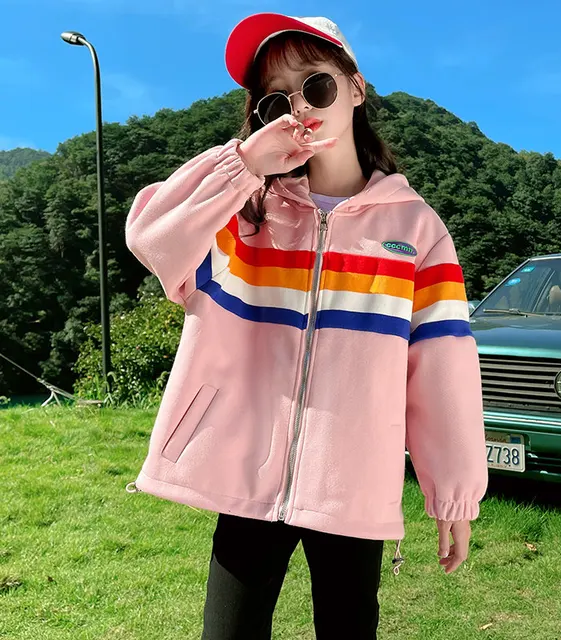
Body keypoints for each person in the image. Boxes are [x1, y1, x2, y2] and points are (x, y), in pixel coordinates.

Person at [124, 12, 489, 640]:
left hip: (355, 483)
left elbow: (443, 364)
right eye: (276, 100)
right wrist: (244, 163)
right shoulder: (244, 214)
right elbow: (150, 238)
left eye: (315, 85)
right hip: (243, 469)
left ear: (356, 88)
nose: (299, 107)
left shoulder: (417, 230)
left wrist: (453, 491)